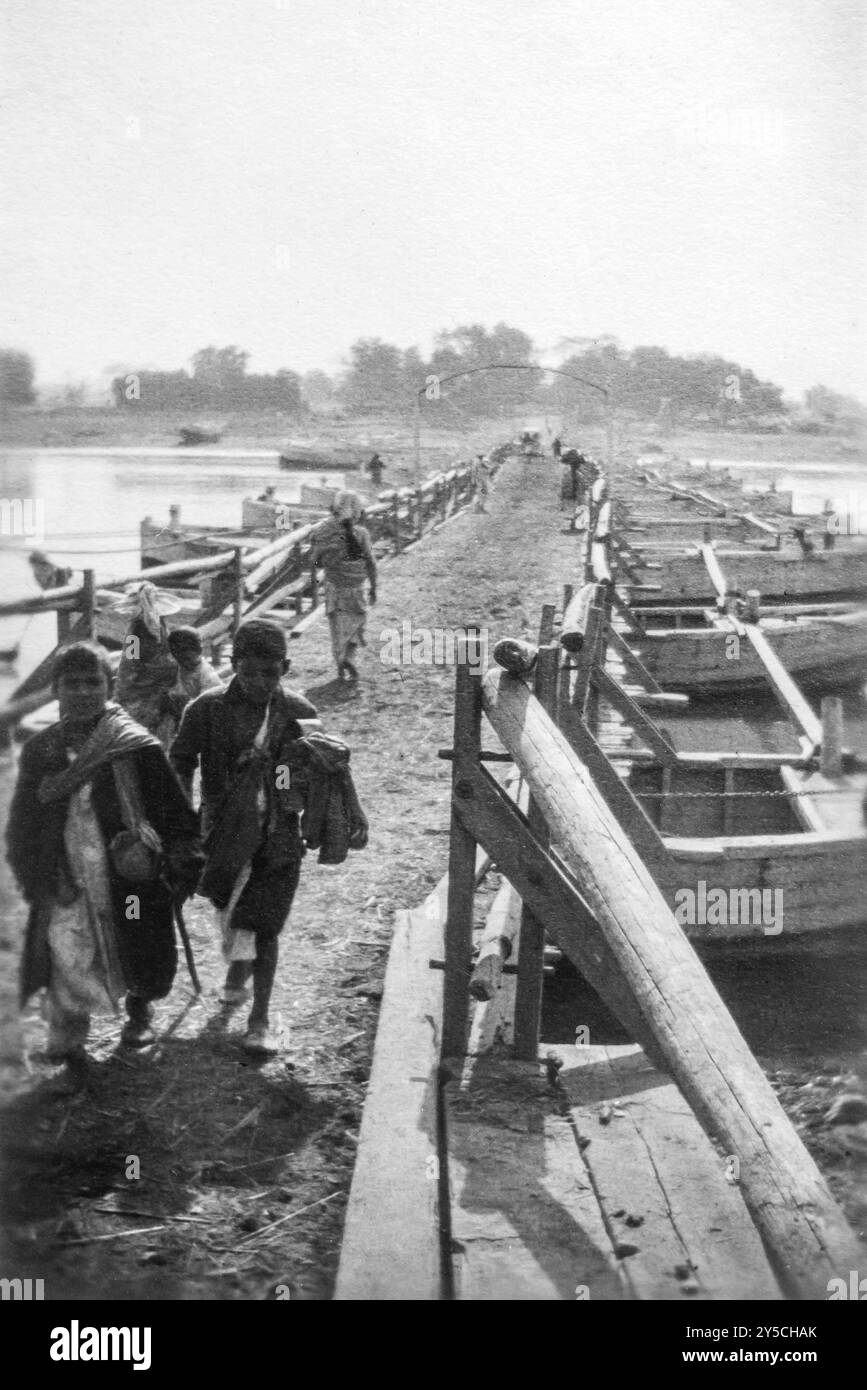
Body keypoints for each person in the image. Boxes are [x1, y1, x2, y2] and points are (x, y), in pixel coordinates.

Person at [6, 642, 202, 1084]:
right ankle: (70, 1043)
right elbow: (22, 823)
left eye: (91, 682)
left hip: (127, 874)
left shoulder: (133, 745)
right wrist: (36, 875)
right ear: (55, 689)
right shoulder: (43, 751)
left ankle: (140, 1012)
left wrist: (179, 860)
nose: (81, 692)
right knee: (66, 956)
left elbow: (173, 811)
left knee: (138, 936)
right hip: (67, 874)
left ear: (109, 685)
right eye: (70, 683)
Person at [169, 620, 319, 1054]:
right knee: (229, 912)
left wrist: (285, 777)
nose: (258, 682)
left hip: (277, 835)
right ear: (233, 665)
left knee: (264, 924)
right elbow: (180, 761)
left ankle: (260, 1019)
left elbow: (309, 770)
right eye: (248, 672)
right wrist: (181, 818)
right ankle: (238, 970)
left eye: (269, 673)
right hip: (221, 833)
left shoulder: (298, 712)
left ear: (284, 668)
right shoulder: (205, 709)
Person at [310, 491, 377, 683]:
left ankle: (340, 664)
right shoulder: (361, 533)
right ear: (356, 512)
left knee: (337, 627)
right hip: (356, 587)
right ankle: (348, 657)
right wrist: (374, 588)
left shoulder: (323, 531)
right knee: (357, 623)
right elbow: (371, 562)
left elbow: (315, 561)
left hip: (334, 586)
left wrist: (329, 554)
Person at [113, 582, 181, 748]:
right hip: (163, 690)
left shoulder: (135, 632)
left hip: (145, 693)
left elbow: (128, 666)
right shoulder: (162, 627)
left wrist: (121, 692)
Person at [164, 627, 222, 740]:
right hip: (179, 717)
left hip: (197, 720)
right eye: (177, 655)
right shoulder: (178, 666)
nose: (182, 660)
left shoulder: (206, 675)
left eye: (186, 656)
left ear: (199, 651)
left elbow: (207, 706)